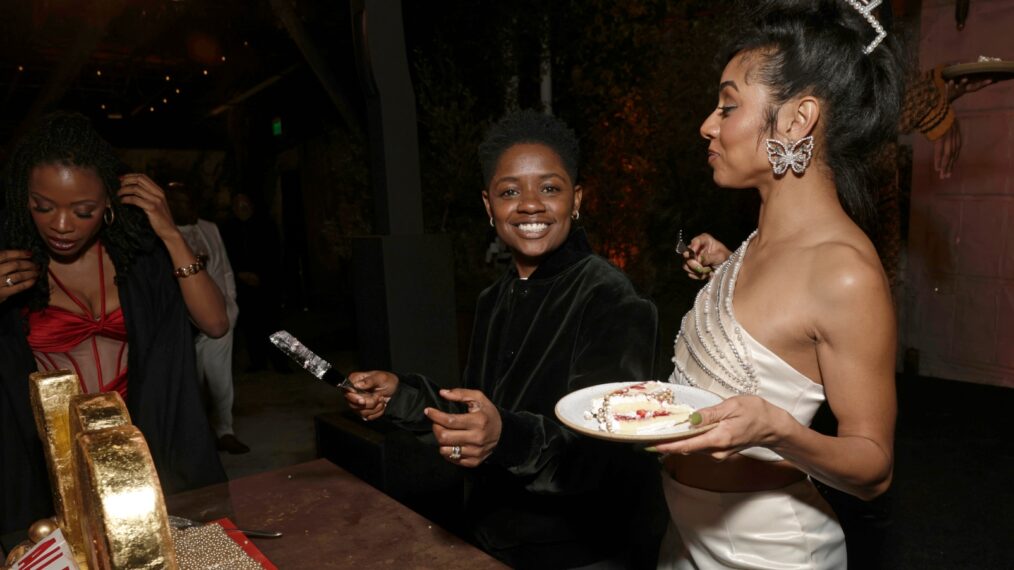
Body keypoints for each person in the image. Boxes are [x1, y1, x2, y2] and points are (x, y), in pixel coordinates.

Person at [345, 110, 663, 569]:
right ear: (488, 205)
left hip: (580, 552)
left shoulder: (613, 299)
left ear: (577, 199)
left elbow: (602, 454)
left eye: (549, 188)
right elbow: (482, 411)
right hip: (493, 537)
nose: (530, 204)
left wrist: (503, 440)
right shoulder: (495, 298)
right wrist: (402, 396)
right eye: (509, 191)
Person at [653, 2, 904, 568]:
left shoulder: (845, 272)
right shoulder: (759, 240)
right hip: (686, 534)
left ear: (797, 120)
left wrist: (777, 430)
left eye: (727, 106)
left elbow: (874, 469)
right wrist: (725, 271)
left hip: (770, 553)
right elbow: (775, 340)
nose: (708, 125)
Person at [0, 112, 228, 534]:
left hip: (144, 446)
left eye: (83, 210)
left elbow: (215, 324)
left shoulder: (136, 259)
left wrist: (172, 235)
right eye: (42, 207)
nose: (62, 225)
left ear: (108, 202)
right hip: (53, 465)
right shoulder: (12, 266)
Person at [167, 183, 250, 454]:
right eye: (179, 202)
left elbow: (224, 270)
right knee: (190, 383)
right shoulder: (163, 233)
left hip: (221, 318)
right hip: (182, 321)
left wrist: (231, 306)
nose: (186, 206)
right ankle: (197, 438)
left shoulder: (210, 228)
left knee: (220, 379)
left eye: (189, 200)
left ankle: (225, 431)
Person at [219, 192, 290, 373]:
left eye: (245, 205)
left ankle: (281, 363)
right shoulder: (228, 229)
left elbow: (273, 254)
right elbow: (226, 256)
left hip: (266, 285)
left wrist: (261, 276)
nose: (242, 209)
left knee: (273, 324)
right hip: (242, 286)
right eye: (237, 206)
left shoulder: (266, 225)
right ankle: (258, 362)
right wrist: (240, 274)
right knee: (251, 326)